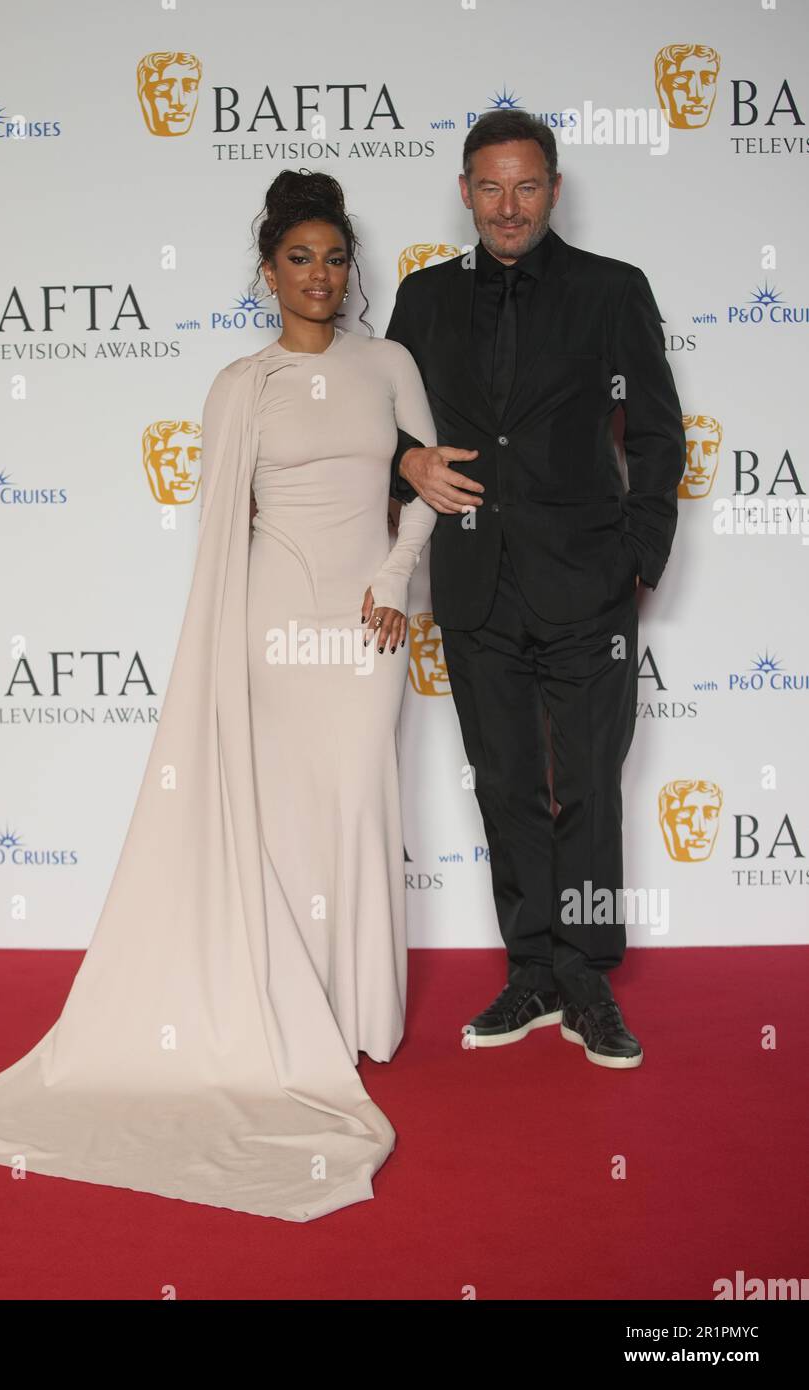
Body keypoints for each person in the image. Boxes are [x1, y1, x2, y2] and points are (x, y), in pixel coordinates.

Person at [0, 171, 438, 1220]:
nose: (319, 275)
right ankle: (281, 1014)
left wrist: (393, 583)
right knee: (278, 817)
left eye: (334, 256)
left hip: (365, 623)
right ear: (267, 271)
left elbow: (427, 484)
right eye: (298, 258)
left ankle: (359, 1014)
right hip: (267, 619)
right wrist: (214, 654)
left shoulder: (388, 362)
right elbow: (224, 535)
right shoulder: (237, 384)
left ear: (352, 268)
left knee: (356, 795)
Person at [386, 110, 685, 1069]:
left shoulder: (612, 291)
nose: (506, 207)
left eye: (525, 187)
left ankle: (586, 978)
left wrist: (636, 554)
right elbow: (381, 428)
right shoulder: (423, 299)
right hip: (475, 585)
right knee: (508, 783)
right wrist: (408, 463)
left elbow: (655, 433)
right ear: (464, 191)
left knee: (588, 786)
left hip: (586, 585)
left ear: (552, 190)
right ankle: (528, 971)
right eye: (488, 187)